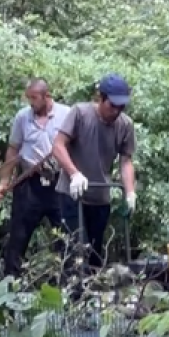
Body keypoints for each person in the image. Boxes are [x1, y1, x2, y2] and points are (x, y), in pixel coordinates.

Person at [51, 74, 137, 274]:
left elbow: (126, 160)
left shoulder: (125, 125)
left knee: (95, 253)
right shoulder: (80, 114)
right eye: (112, 106)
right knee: (75, 250)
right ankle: (72, 289)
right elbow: (58, 146)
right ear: (101, 98)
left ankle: (94, 289)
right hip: (72, 194)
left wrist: (130, 192)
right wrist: (74, 173)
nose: (116, 111)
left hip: (100, 196)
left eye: (121, 107)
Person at [0, 78, 79, 283]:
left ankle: (69, 284)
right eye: (29, 98)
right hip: (30, 181)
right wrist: (4, 181)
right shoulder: (22, 117)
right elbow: (13, 149)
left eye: (34, 98)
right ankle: (11, 282)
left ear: (46, 96)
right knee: (18, 234)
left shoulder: (67, 114)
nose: (31, 103)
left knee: (66, 234)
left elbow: (77, 146)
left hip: (59, 182)